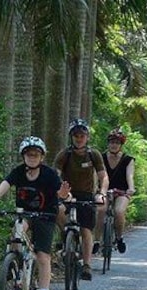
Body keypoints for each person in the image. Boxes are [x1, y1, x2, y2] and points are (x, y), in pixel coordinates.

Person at [0, 136, 69, 290]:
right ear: (23, 156)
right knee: (17, 232)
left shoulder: (49, 174)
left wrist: (62, 195)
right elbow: (3, 187)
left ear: (42, 157)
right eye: (28, 154)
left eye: (35, 154)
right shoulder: (18, 172)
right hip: (24, 214)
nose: (32, 157)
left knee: (42, 256)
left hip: (45, 216)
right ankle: (12, 263)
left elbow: (60, 194)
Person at [53, 118, 109, 281]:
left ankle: (86, 265)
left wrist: (101, 192)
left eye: (82, 135)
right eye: (76, 135)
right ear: (71, 137)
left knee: (85, 230)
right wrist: (59, 191)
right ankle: (65, 239)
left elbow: (103, 176)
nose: (79, 138)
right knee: (58, 212)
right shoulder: (64, 154)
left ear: (87, 137)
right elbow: (55, 174)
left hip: (86, 196)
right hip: (67, 194)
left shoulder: (94, 154)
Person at [101, 128, 135, 253]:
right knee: (100, 209)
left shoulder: (128, 159)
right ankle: (96, 240)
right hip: (104, 190)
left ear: (121, 145)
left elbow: (130, 175)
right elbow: (98, 174)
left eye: (117, 143)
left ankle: (119, 237)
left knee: (119, 211)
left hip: (122, 191)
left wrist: (131, 188)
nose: (114, 145)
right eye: (111, 142)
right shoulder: (101, 157)